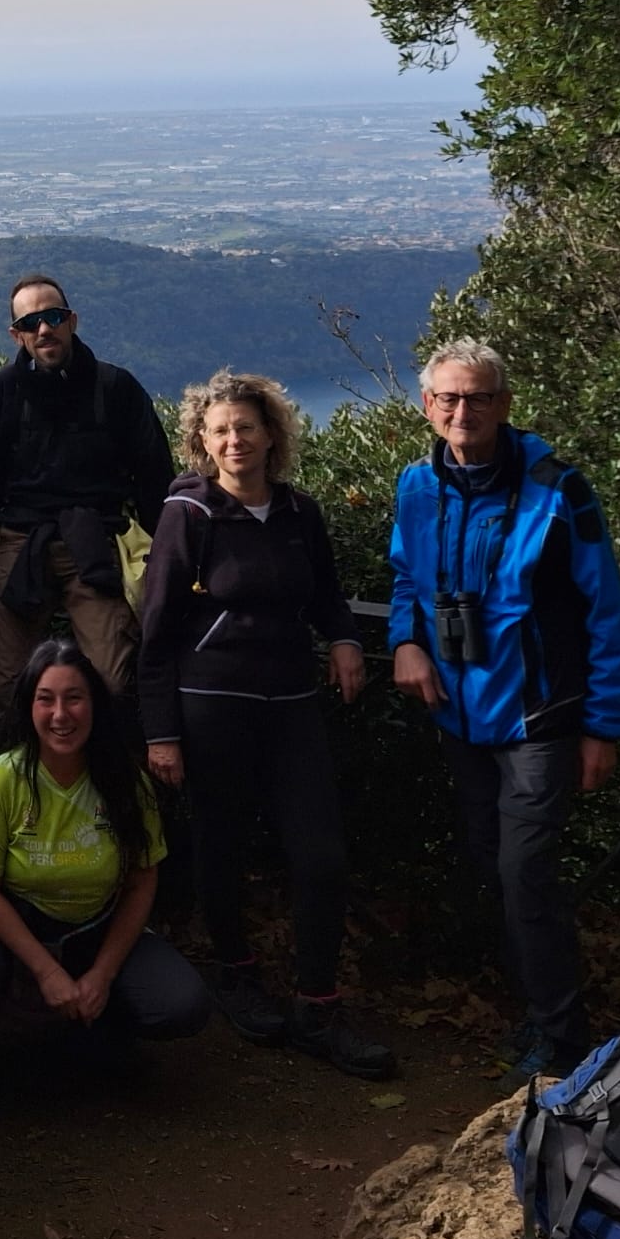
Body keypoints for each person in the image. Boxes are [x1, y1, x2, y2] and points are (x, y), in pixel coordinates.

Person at [389, 338, 620, 1080]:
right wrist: (404, 641)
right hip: (458, 714)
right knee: (496, 871)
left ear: (504, 404)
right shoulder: (415, 484)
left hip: (539, 715)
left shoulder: (559, 488)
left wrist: (603, 724)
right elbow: (406, 578)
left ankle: (562, 1043)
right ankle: (533, 1010)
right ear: (428, 406)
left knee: (525, 874)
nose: (463, 411)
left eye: (479, 398)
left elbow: (606, 610)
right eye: (449, 399)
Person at [137, 371, 393, 1078]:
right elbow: (154, 631)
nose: (232, 440)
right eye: (218, 430)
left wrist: (343, 640)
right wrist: (159, 731)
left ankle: (316, 1003)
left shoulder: (297, 511)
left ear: (271, 433)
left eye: (244, 427)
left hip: (289, 702)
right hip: (209, 701)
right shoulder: (187, 514)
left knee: (321, 855)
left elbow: (327, 595)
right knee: (220, 844)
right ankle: (237, 973)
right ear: (200, 441)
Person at [0, 640, 209, 1130]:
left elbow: (142, 882)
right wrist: (45, 971)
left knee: (183, 1004)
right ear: (28, 705)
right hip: (10, 919)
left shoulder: (125, 782)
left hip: (96, 922)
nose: (60, 714)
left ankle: (98, 1030)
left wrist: (104, 974)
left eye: (73, 698)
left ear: (94, 703)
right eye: (45, 698)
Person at [0, 274, 175, 718]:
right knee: (5, 686)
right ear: (17, 335)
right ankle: (20, 780)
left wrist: (165, 559)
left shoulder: (115, 388)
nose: (44, 329)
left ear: (72, 321)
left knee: (112, 682)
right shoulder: (6, 390)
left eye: (53, 317)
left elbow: (154, 474)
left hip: (96, 540)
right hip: (23, 538)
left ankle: (99, 778)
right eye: (31, 322)